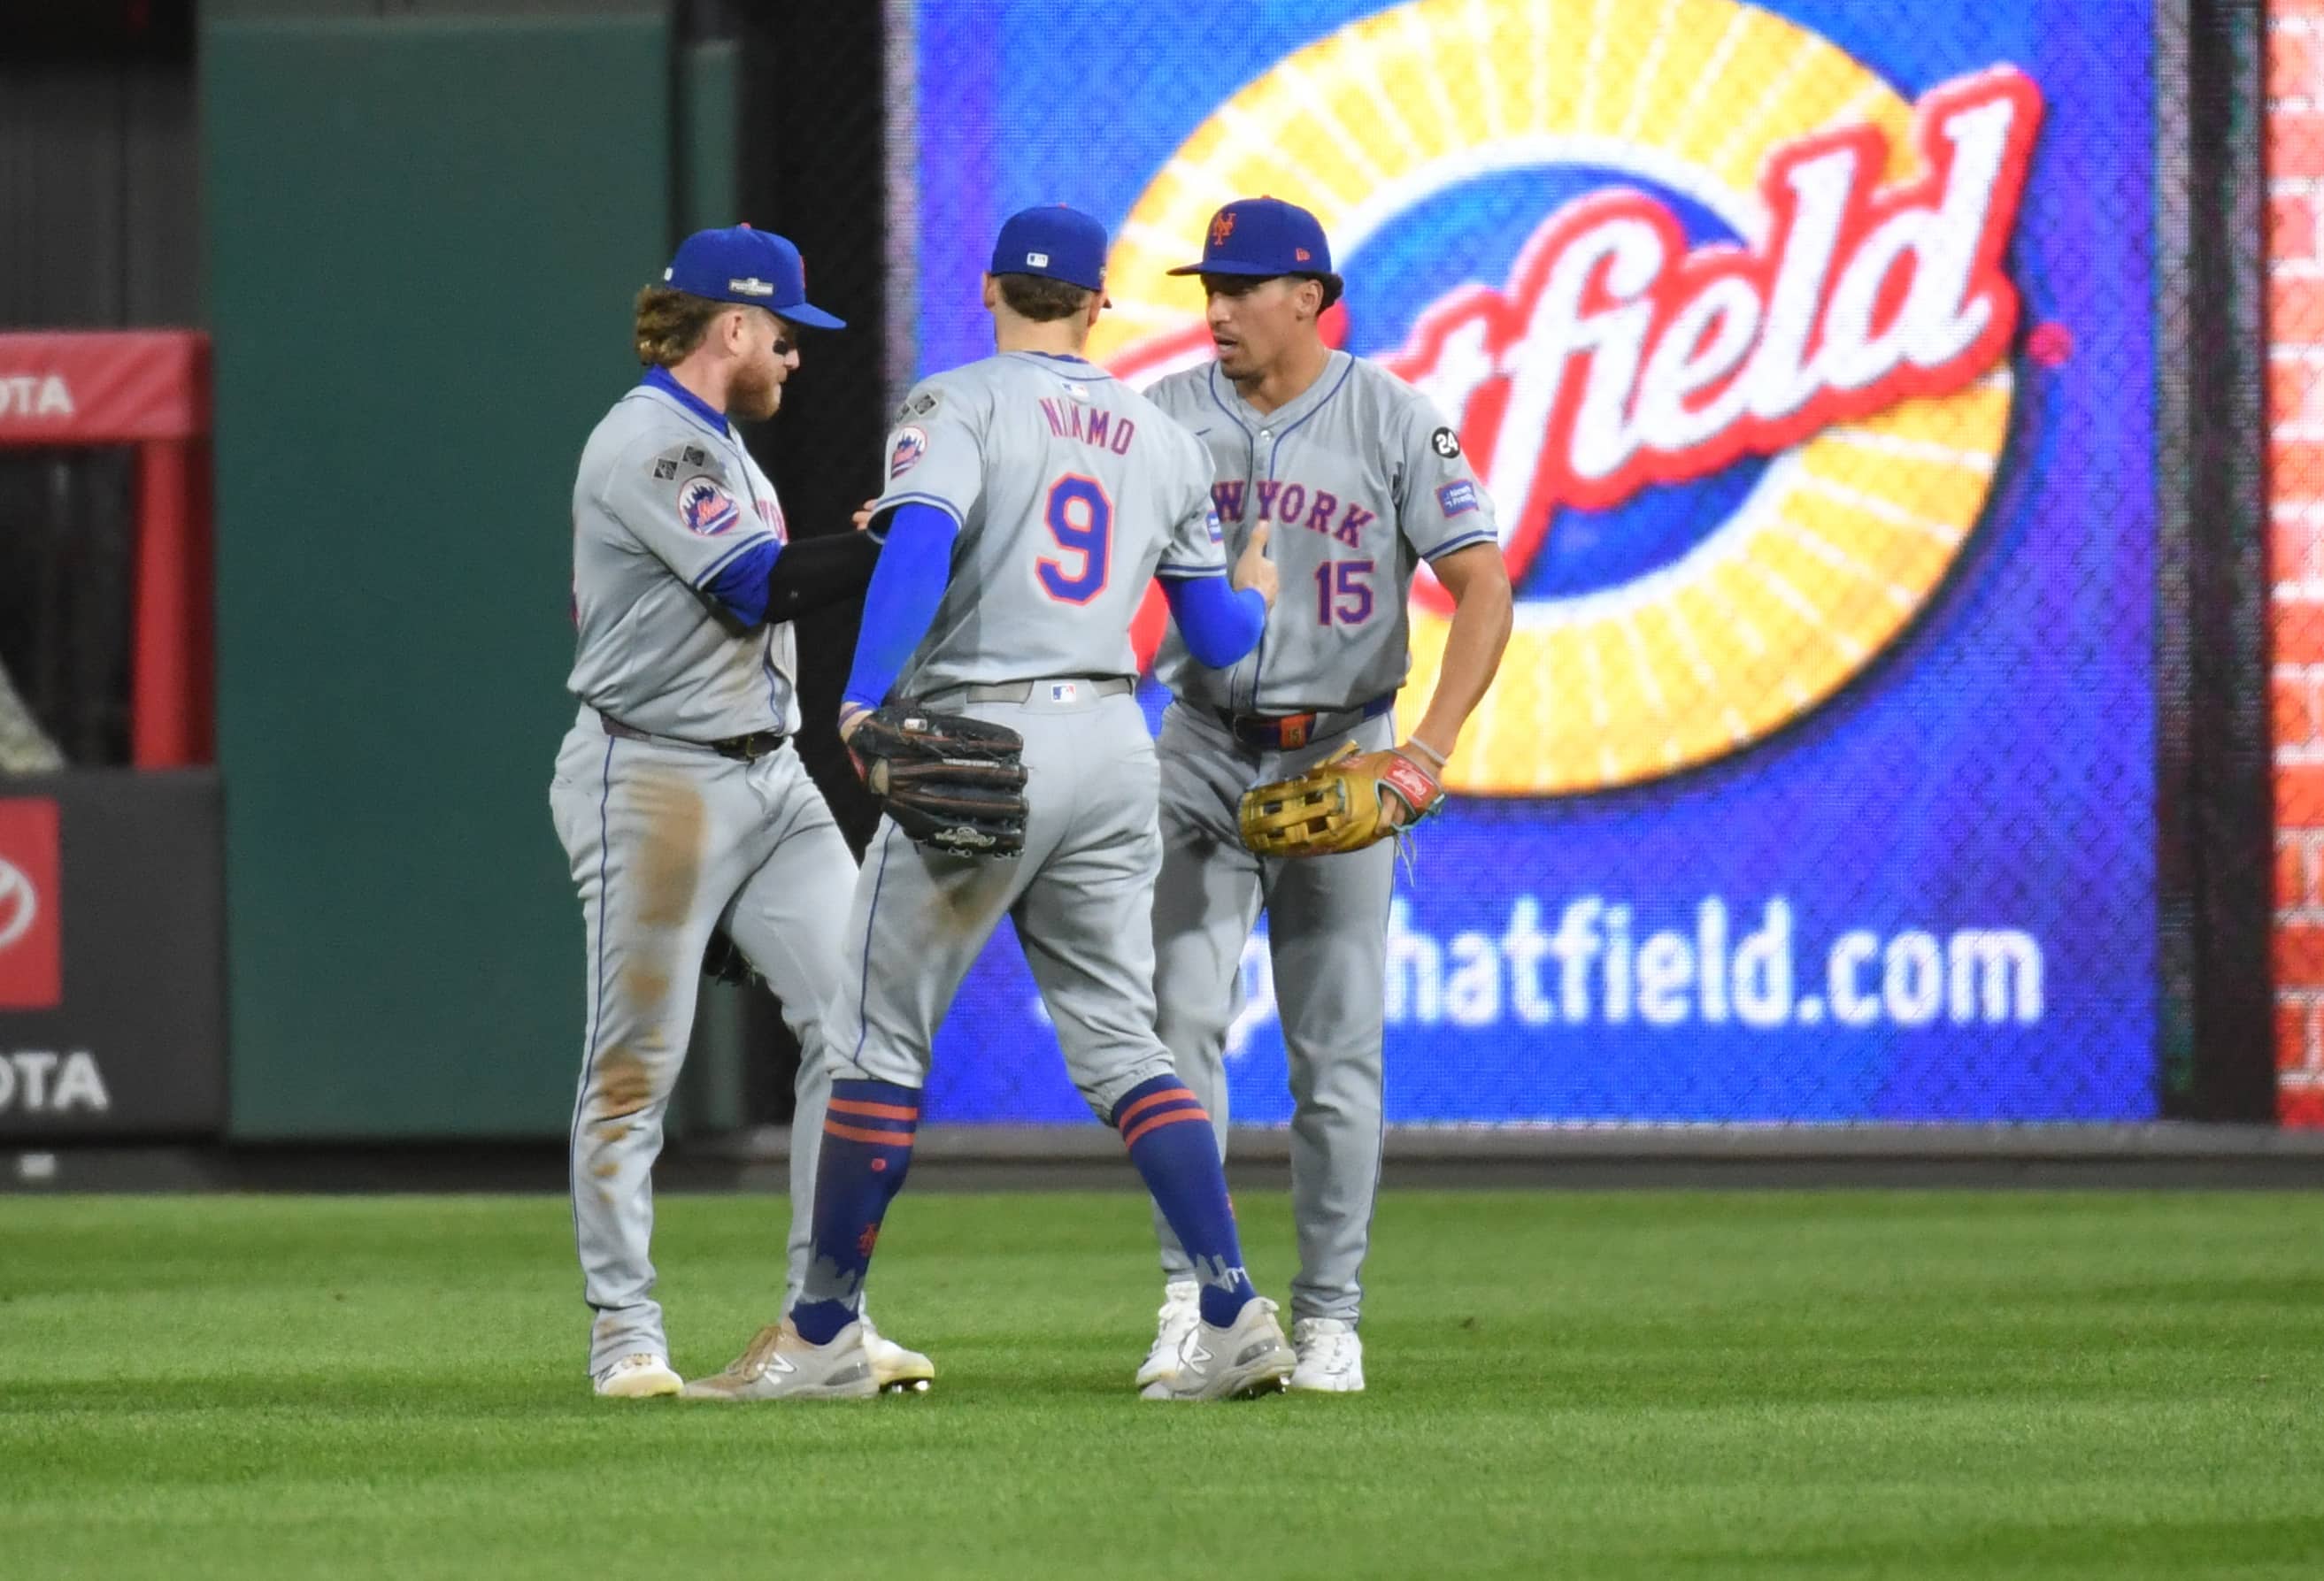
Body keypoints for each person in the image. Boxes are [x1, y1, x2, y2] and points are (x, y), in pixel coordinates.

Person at [685, 204, 1290, 1403]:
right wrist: (1260, 600)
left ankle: (820, 1336)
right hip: (1115, 745)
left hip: (984, 731)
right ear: (1097, 305)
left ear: (990, 289)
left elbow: (918, 545)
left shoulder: (955, 402)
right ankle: (1229, 1311)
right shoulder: (1159, 436)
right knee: (1124, 1042)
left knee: (870, 1039)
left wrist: (859, 703)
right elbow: (1218, 638)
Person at [1135, 197, 1514, 1394]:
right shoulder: (1161, 416)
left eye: (1243, 286)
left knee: (1334, 1058)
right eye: (1210, 283)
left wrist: (1426, 754)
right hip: (1198, 749)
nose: (1217, 307)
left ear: (1309, 297)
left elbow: (1482, 585)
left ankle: (1331, 1317)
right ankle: (1198, 1300)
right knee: (1178, 1028)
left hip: (1342, 755)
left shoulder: (1391, 416)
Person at [548, 224, 929, 1399]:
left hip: (770, 778)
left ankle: (822, 1328)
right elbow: (757, 584)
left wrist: (869, 546)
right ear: (729, 328)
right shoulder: (650, 443)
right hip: (653, 779)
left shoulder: (719, 445)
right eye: (782, 333)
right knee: (634, 1070)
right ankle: (625, 1336)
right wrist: (893, 543)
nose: (794, 357)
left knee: (856, 1031)